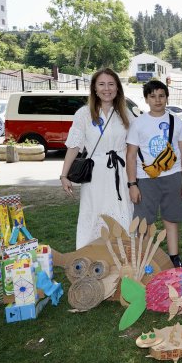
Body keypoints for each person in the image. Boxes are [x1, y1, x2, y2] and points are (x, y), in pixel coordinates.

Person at [60, 68, 133, 249]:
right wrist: (64, 175)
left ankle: (123, 256)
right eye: (101, 84)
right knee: (94, 213)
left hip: (121, 173)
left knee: (121, 212)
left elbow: (135, 147)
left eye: (111, 84)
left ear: (117, 88)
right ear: (94, 88)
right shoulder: (83, 114)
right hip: (95, 174)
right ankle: (90, 255)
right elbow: (74, 146)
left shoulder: (125, 113)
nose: (106, 89)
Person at [126, 80, 182, 267]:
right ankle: (144, 259)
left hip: (172, 176)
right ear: (146, 99)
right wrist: (132, 184)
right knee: (144, 222)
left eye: (161, 96)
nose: (157, 100)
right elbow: (131, 156)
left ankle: (174, 257)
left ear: (166, 97)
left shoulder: (176, 122)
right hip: (146, 179)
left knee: (171, 218)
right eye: (153, 96)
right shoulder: (138, 124)